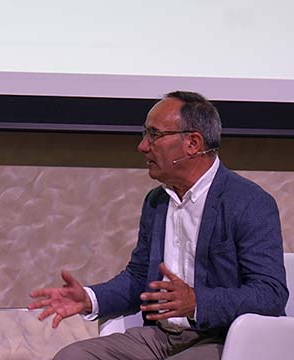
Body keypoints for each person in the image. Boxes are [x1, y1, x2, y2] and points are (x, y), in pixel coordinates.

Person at [28, 91, 288, 359]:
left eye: (154, 135)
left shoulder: (249, 202)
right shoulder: (157, 202)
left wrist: (197, 302)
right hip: (160, 336)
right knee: (72, 357)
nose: (142, 146)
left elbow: (270, 293)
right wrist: (90, 298)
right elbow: (140, 278)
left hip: (224, 337)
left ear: (193, 143)